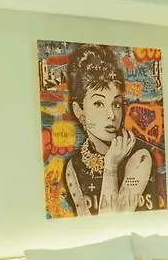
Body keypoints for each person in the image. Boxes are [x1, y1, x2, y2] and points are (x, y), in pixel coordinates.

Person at [62, 44, 155, 215]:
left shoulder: (139, 157)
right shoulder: (74, 167)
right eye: (99, 104)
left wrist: (111, 165)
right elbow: (88, 226)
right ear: (79, 111)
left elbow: (114, 223)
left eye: (116, 104)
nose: (112, 115)